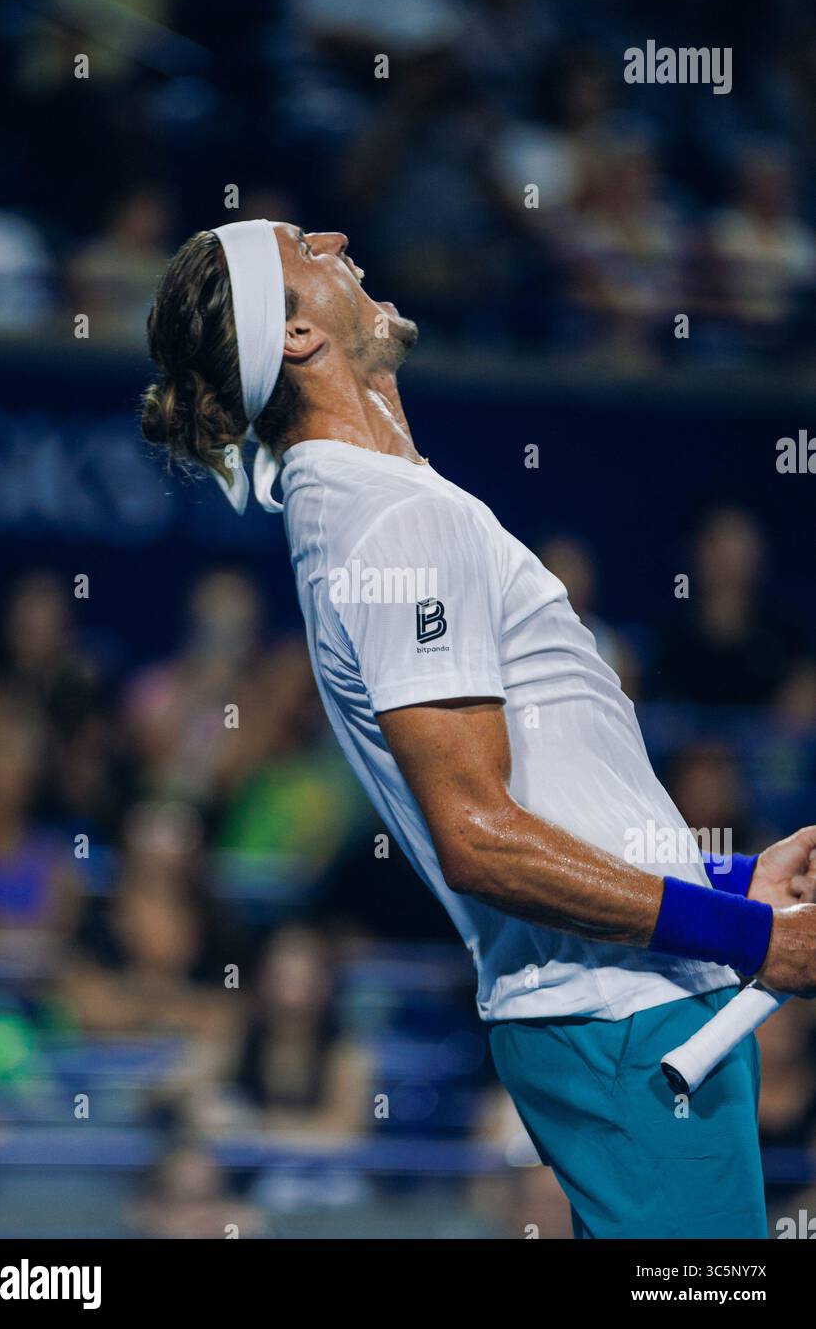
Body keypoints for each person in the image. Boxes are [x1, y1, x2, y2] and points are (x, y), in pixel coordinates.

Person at [140, 217, 816, 1239]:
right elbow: (477, 837)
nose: (334, 237)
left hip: (617, 1010)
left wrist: (716, 881)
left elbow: (546, 807)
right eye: (303, 250)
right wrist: (753, 934)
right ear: (293, 336)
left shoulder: (367, 512)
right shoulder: (392, 522)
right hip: (622, 1022)